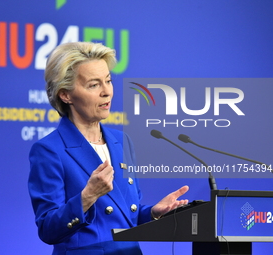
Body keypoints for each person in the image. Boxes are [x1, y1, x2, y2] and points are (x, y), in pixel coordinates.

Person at [28, 42, 189, 255]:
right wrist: (87, 197)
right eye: (94, 85)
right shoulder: (49, 150)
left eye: (108, 81)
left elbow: (125, 215)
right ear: (65, 94)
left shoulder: (122, 141)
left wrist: (153, 213)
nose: (107, 92)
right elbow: (48, 229)